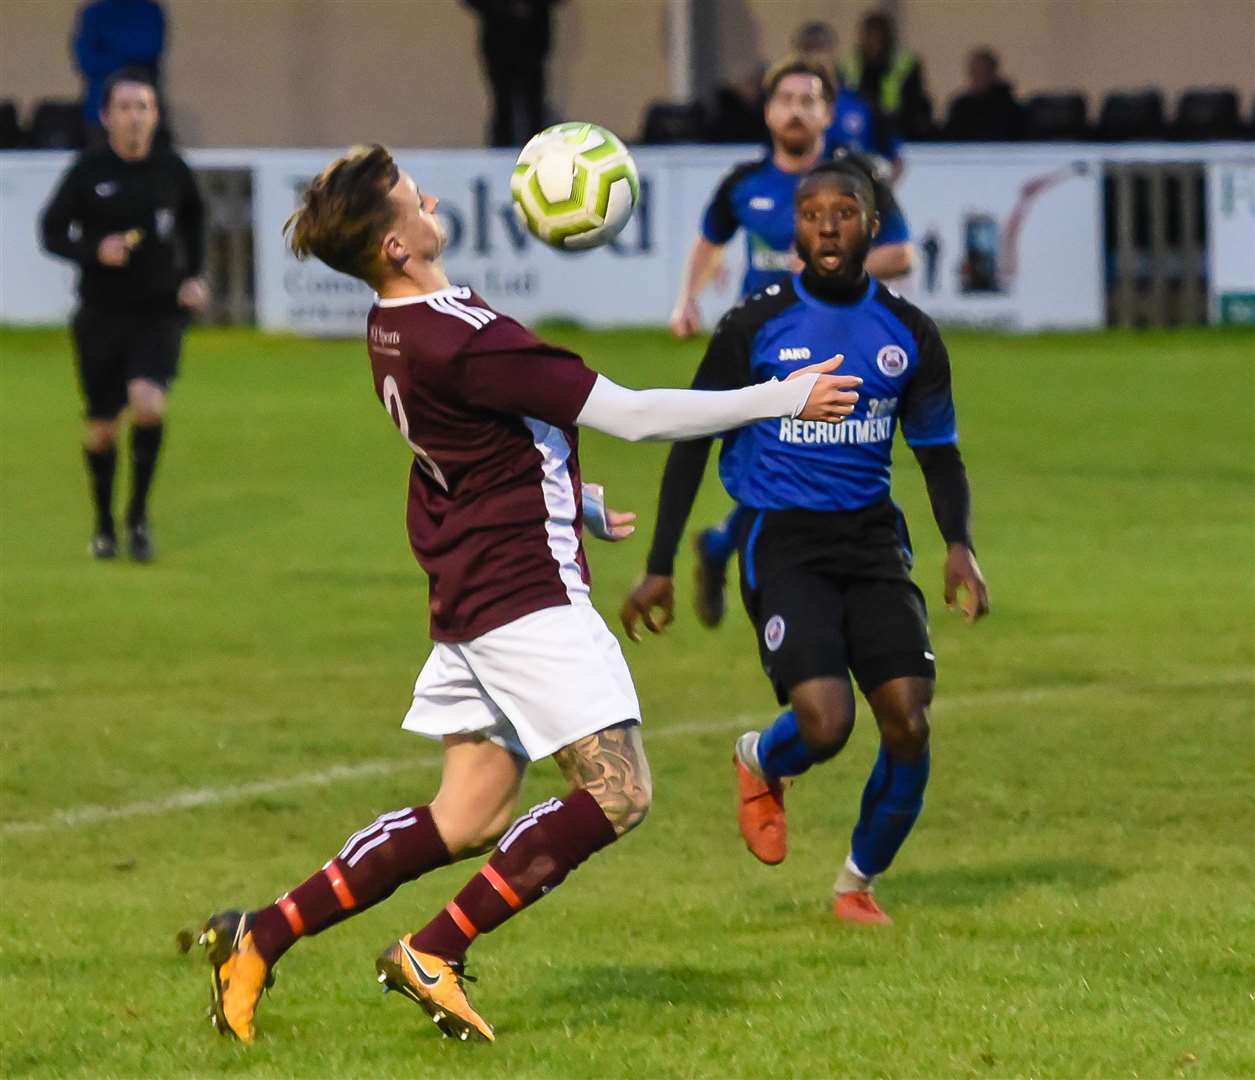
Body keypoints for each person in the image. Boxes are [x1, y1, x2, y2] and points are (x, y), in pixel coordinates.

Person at [195, 145, 861, 1046]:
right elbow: (630, 414)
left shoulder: (398, 324)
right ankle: (434, 950)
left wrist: (569, 496)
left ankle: (259, 935)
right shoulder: (459, 340)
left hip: (471, 583)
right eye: (410, 199)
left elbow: (462, 448)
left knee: (467, 813)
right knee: (618, 793)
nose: (431, 199)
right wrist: (782, 395)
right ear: (395, 245)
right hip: (524, 596)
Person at [622, 161, 989, 926]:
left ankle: (856, 883)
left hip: (870, 540)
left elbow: (938, 451)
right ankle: (761, 759)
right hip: (780, 537)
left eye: (843, 212)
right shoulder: (753, 326)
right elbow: (691, 439)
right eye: (812, 213)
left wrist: (959, 545)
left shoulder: (908, 333)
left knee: (908, 720)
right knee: (825, 723)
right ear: (794, 227)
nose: (827, 226)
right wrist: (657, 565)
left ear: (872, 224)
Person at [39, 66, 207, 562]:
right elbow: (50, 231)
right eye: (126, 108)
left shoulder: (171, 169)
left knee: (149, 404)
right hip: (100, 317)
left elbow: (196, 218)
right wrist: (95, 250)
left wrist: (193, 275)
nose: (136, 117)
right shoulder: (88, 172)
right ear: (106, 116)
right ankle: (103, 523)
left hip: (158, 313)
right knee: (101, 429)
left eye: (144, 107)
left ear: (155, 115)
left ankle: (137, 517)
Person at [669, 58, 912, 343]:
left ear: (828, 114)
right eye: (785, 100)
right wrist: (687, 299)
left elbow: (901, 255)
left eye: (808, 101)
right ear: (768, 112)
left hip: (839, 335)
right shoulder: (743, 182)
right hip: (760, 336)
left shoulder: (858, 178)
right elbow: (709, 243)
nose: (795, 111)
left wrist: (833, 267)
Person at [791, 21, 903, 178]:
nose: (815, 56)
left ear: (832, 51)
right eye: (809, 49)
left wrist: (878, 197)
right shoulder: (787, 110)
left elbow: (896, 161)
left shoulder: (862, 104)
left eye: (821, 48)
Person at [463, 0, 561, 147]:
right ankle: (502, 151)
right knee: (503, 103)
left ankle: (537, 153)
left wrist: (532, 6)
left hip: (532, 40)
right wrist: (500, 7)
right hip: (498, 38)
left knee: (533, 104)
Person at [72, 0, 166, 142]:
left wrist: (107, 49)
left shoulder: (149, 11)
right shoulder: (93, 13)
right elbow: (87, 61)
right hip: (98, 110)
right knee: (100, 161)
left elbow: (148, 49)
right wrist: (127, 59)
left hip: (142, 111)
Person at [841, 11, 931, 140]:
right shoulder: (849, 65)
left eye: (878, 35)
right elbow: (843, 101)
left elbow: (914, 105)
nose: (874, 42)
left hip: (898, 131)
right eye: (870, 35)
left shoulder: (906, 63)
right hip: (858, 131)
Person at [943, 48, 1023, 142]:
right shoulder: (960, 106)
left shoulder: (1008, 108)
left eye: (982, 71)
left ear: (992, 72)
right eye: (973, 71)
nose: (976, 76)